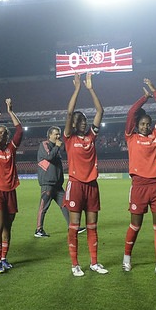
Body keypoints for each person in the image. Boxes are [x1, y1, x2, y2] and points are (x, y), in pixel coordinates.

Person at [123, 78, 156, 277]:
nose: (145, 126)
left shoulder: (155, 136)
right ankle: (127, 258)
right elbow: (131, 113)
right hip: (139, 185)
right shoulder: (130, 136)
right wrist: (145, 97)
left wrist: (155, 91)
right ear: (137, 125)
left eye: (147, 124)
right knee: (136, 224)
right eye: (142, 124)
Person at [62, 72, 108, 276]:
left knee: (92, 226)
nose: (84, 123)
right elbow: (69, 112)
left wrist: (90, 88)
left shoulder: (91, 136)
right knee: (74, 226)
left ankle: (94, 262)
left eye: (85, 121)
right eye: (81, 121)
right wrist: (77, 88)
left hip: (92, 186)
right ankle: (75, 265)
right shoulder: (69, 138)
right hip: (75, 185)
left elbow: (101, 110)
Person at [0, 99, 23, 273]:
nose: (2, 135)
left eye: (4, 133)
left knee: (8, 227)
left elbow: (19, 130)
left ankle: (4, 258)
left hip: (11, 191)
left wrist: (10, 111)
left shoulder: (11, 149)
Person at [35, 126, 85, 238]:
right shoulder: (44, 145)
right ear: (50, 135)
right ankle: (38, 230)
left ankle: (72, 227)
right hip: (48, 183)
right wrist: (57, 147)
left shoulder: (57, 147)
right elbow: (49, 157)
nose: (58, 136)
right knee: (43, 207)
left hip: (57, 185)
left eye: (59, 134)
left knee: (65, 205)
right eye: (56, 134)